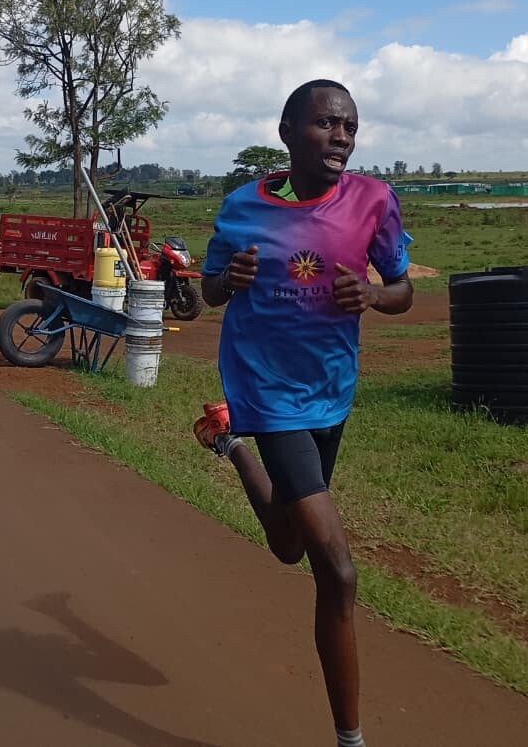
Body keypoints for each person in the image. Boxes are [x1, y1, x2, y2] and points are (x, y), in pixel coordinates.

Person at [194, 79, 413, 747]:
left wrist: (373, 296)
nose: (340, 136)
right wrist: (228, 279)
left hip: (331, 390)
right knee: (336, 571)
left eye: (349, 125)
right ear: (288, 133)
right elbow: (206, 292)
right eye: (325, 124)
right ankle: (351, 739)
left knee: (289, 546)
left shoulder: (373, 200)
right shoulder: (241, 207)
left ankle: (229, 444)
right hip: (267, 391)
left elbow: (402, 289)